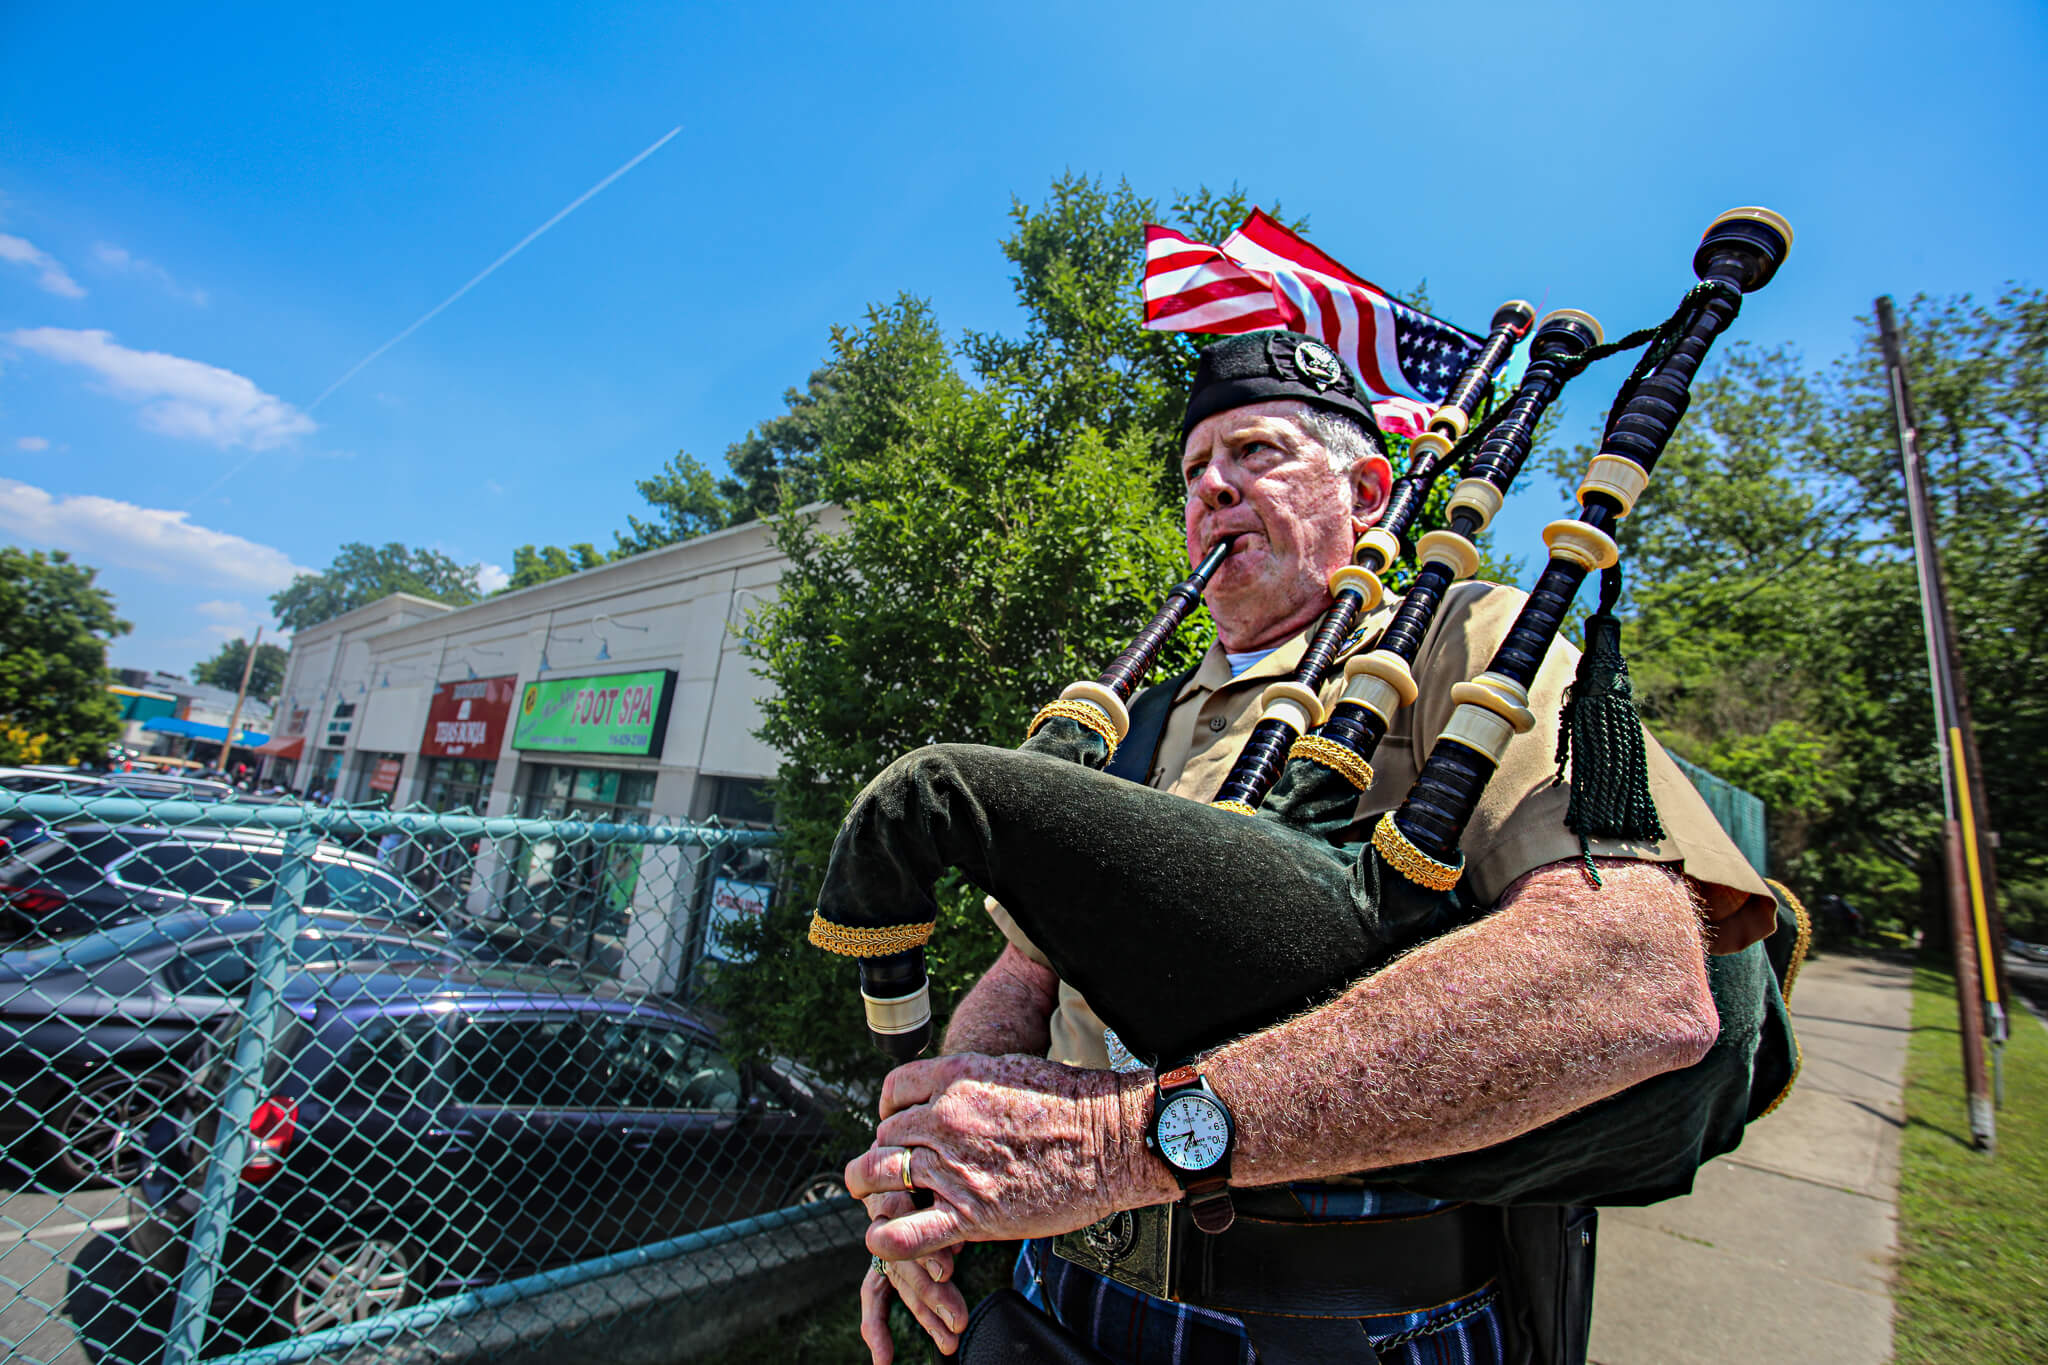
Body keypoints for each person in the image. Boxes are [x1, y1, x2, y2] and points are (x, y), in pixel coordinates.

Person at [845, 332, 1778, 1364]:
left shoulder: (1468, 641)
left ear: (1368, 492)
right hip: (1059, 1286)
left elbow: (1632, 977)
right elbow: (1027, 975)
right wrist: (920, 1173)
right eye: (1195, 471)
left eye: (1254, 452)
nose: (1214, 488)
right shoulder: (1141, 722)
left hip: (1339, 1316)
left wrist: (1126, 1145)